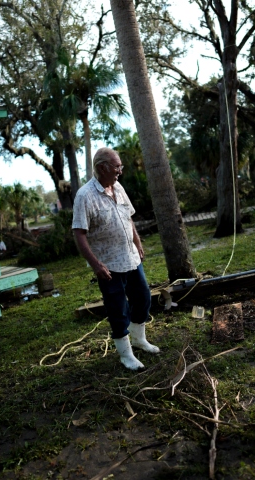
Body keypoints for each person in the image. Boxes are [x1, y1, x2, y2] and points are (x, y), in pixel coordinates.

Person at [72, 147, 159, 370]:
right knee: (118, 308)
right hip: (108, 264)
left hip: (130, 257)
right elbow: (79, 234)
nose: (120, 170)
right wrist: (95, 264)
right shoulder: (85, 196)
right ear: (102, 168)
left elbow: (128, 218)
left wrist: (137, 244)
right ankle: (126, 354)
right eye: (117, 166)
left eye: (120, 166)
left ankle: (139, 340)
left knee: (143, 298)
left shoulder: (118, 187)